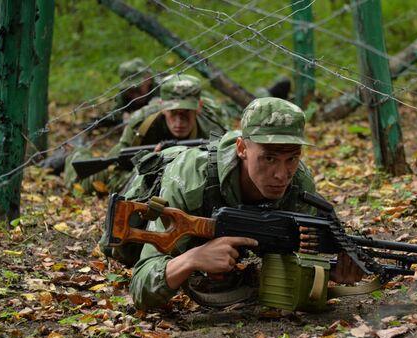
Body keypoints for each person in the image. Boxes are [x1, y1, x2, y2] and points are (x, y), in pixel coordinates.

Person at [127, 97, 363, 311]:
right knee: (125, 249)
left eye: (292, 158)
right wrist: (193, 259)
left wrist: (332, 269)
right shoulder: (191, 184)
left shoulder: (299, 183)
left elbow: (304, 251)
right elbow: (140, 287)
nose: (282, 174)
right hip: (148, 191)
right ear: (241, 149)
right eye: (268, 158)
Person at [63, 73, 228, 194]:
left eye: (186, 113)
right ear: (162, 106)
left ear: (198, 107)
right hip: (136, 167)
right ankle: (75, 152)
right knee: (84, 185)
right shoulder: (142, 123)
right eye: (173, 113)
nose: (179, 121)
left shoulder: (214, 128)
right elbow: (119, 164)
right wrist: (148, 165)